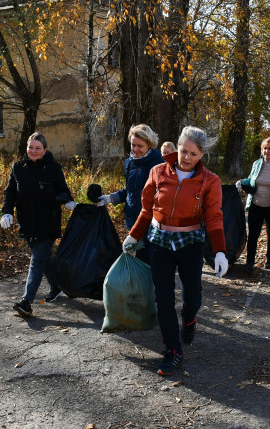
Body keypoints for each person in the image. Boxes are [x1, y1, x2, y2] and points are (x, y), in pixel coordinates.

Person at [123, 126, 228, 376]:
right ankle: (173, 351)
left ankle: (189, 320)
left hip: (190, 242)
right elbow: (146, 210)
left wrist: (221, 251)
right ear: (177, 148)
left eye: (193, 153)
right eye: (183, 151)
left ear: (201, 154)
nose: (186, 157)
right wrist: (133, 236)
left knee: (193, 297)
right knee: (164, 298)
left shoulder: (210, 181)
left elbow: (213, 216)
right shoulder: (158, 171)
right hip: (159, 241)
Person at [0, 132, 76, 317]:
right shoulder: (18, 168)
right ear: (27, 148)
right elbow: (10, 192)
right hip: (27, 222)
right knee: (44, 258)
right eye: (30, 147)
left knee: (36, 260)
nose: (33, 151)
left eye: (38, 148)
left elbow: (63, 190)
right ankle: (57, 287)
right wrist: (7, 212)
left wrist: (67, 201)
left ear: (45, 150)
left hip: (48, 222)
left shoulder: (53, 168)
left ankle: (26, 302)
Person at [96, 124, 164, 263]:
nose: (136, 149)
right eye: (133, 145)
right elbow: (130, 191)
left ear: (149, 145)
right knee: (139, 262)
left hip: (152, 224)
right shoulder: (130, 163)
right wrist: (110, 198)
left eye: (140, 146)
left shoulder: (159, 164)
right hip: (133, 219)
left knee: (148, 263)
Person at [235, 136, 270, 274]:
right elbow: (251, 180)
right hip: (256, 205)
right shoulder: (257, 164)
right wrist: (242, 182)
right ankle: (249, 263)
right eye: (265, 148)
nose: (267, 151)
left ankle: (269, 258)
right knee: (253, 235)